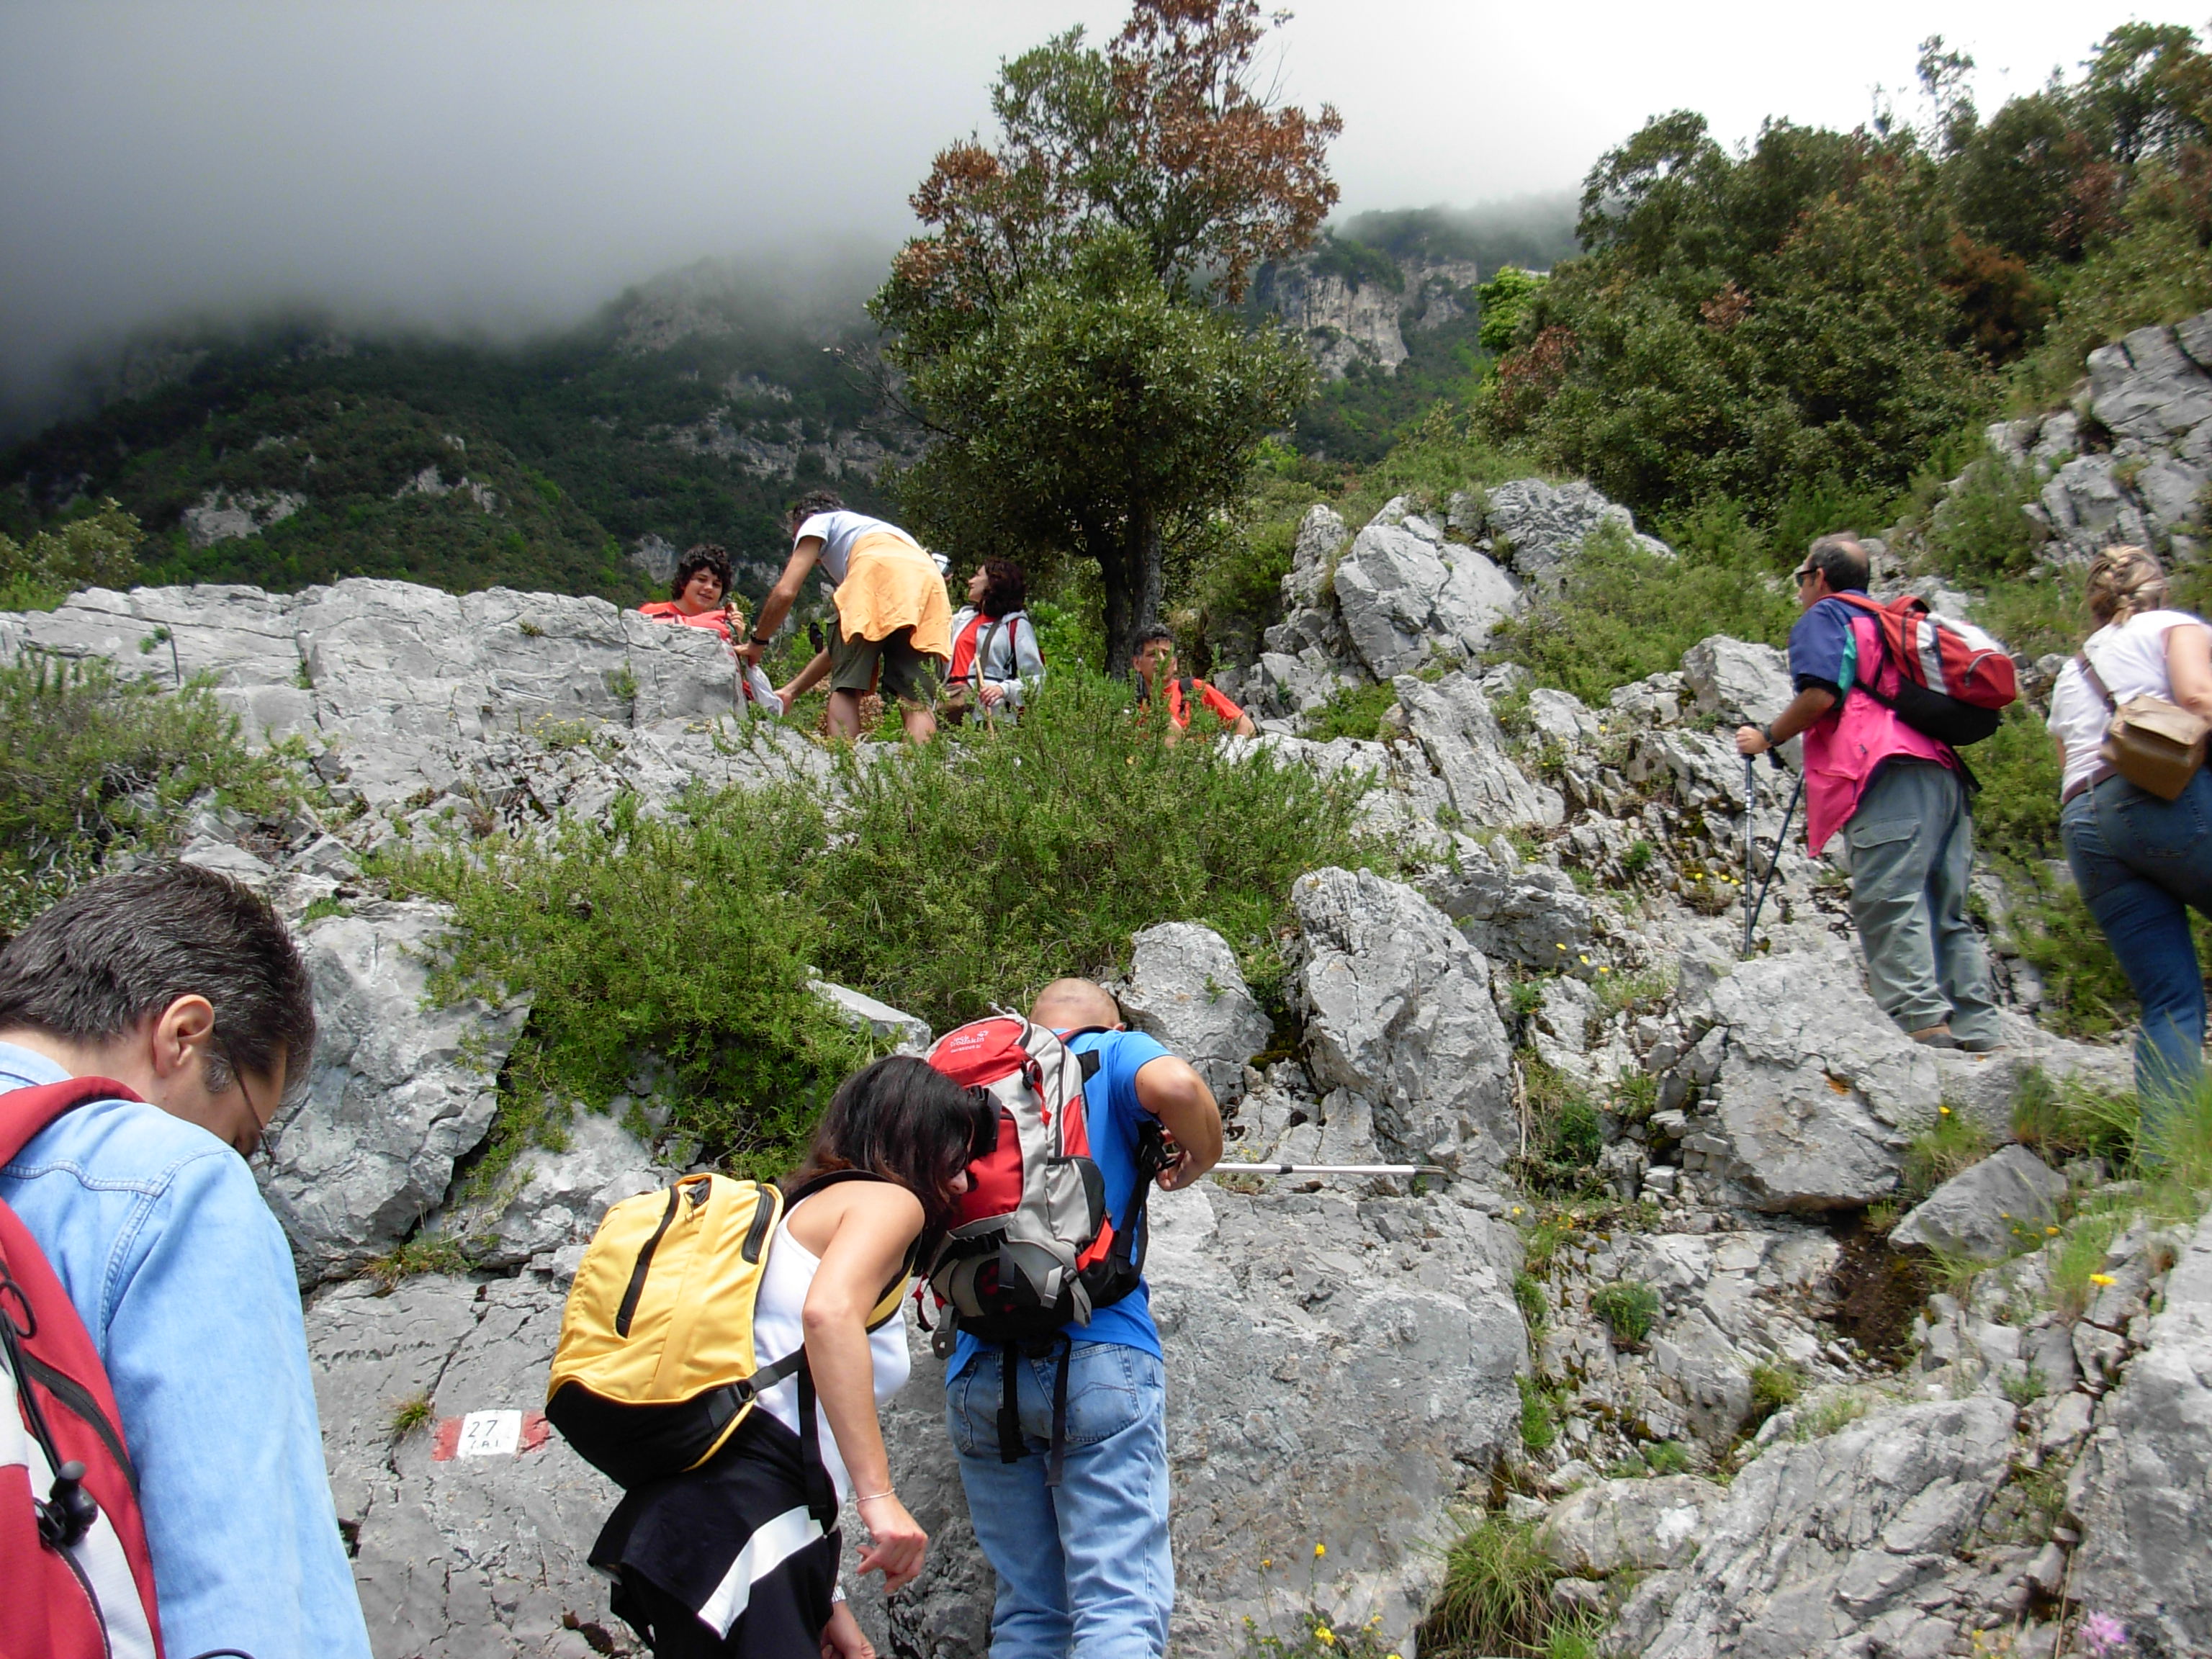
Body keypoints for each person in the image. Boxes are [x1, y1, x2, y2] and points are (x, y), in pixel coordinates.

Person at [0, 863, 373, 1658]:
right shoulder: (171, 1182)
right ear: (182, 1034)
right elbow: (244, 1594)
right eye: (242, 1135)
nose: (236, 1160)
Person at [590, 1055, 997, 1658]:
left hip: (713, 1523)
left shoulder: (799, 1211)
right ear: (915, 1140)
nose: (962, 1184)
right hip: (744, 1524)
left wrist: (824, 1599)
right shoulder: (890, 1204)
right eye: (956, 1159)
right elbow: (827, 1316)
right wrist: (879, 1498)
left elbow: (788, 1396)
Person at [945, 979, 1224, 1659]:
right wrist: (1204, 1155)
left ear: (1028, 1020)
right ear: (1114, 1021)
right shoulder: (1114, 1051)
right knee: (1117, 1605)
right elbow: (1179, 1087)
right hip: (1101, 1348)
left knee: (1027, 1614)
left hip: (978, 1363)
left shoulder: (971, 1074)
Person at [1735, 534, 2002, 1051]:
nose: (1800, 589)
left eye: (1801, 578)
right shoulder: (1889, 623)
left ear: (1820, 578)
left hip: (1885, 771)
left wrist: (1767, 736)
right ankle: (1979, 1029)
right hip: (1943, 774)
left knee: (1888, 896)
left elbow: (1820, 694)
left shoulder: (1827, 616)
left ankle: (1919, 1023)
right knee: (1946, 909)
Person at [2044, 544, 2212, 1126]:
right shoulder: (2172, 626)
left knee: (2169, 1000)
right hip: (2160, 799)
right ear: (2158, 589)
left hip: (2085, 824)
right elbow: (2198, 700)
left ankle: (2171, 1156)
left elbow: (2066, 759)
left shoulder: (2072, 671)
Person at [743, 492, 953, 746]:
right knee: (916, 698)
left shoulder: (819, 522)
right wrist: (792, 691)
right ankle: (918, 769)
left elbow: (785, 592)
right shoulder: (881, 533)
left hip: (875, 569)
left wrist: (757, 642)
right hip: (929, 586)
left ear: (808, 519)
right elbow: (840, 649)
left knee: (846, 689)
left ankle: (846, 762)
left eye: (795, 537)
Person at [637, 544, 786, 716]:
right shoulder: (652, 612)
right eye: (701, 580)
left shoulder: (722, 626)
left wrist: (735, 638)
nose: (709, 588)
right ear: (684, 582)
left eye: (716, 584)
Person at [945, 559, 1047, 726]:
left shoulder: (1016, 625)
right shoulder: (962, 620)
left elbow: (1036, 678)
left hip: (989, 716)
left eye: (977, 576)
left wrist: (1003, 689)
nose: (970, 581)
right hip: (949, 708)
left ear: (994, 582)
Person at [1130, 627, 1255, 742]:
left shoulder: (1195, 690)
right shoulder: (1136, 711)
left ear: (1175, 663)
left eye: (1166, 654)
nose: (1161, 660)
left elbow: (1246, 727)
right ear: (1137, 663)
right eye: (1153, 654)